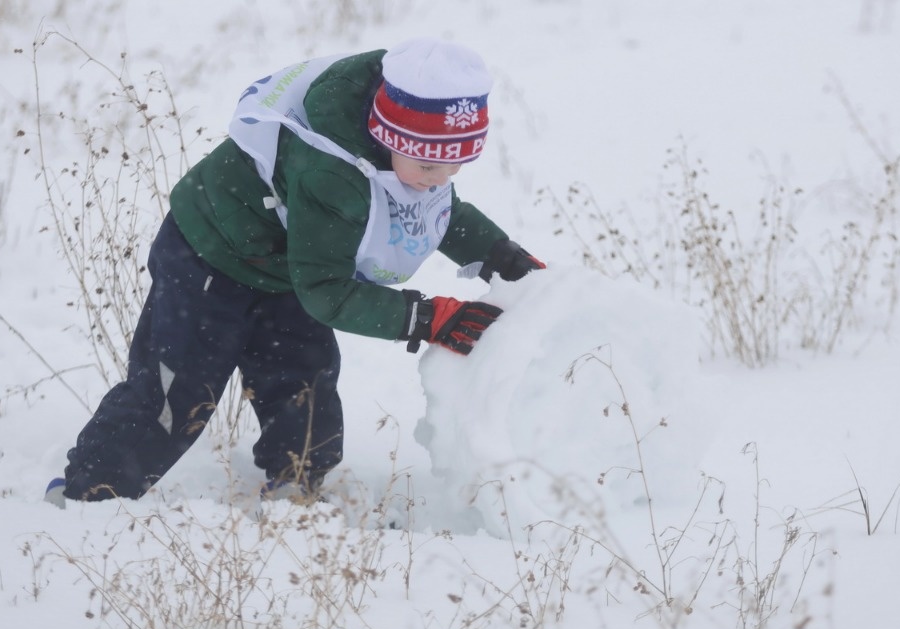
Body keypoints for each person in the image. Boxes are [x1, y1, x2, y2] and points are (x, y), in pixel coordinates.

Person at [44, 38, 544, 508]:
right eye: (431, 168)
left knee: (304, 379)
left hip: (291, 264)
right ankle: (89, 492)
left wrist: (501, 255)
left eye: (455, 167)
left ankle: (295, 490)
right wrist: (425, 318)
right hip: (211, 258)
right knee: (177, 390)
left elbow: (437, 211)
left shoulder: (411, 159)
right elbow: (328, 292)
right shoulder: (333, 171)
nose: (440, 180)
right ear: (388, 137)